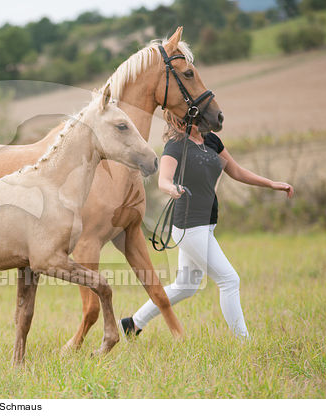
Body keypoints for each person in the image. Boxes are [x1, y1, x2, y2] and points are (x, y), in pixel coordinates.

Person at [119, 110, 294, 338]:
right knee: (229, 280)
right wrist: (172, 189)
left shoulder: (211, 140)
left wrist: (271, 184)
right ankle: (244, 341)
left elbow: (237, 171)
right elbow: (164, 180)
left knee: (185, 286)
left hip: (207, 223)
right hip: (189, 227)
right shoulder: (175, 147)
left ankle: (133, 323)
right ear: (179, 118)